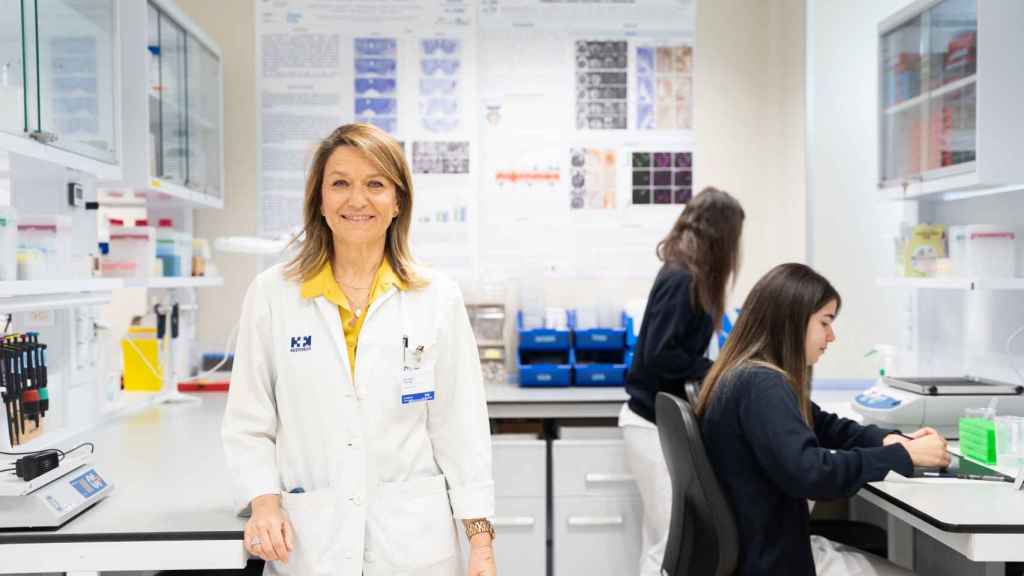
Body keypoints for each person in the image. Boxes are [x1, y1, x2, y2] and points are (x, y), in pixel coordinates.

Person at [222, 123, 496, 576]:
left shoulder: (437, 296)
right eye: (340, 184)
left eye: (375, 184)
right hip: (310, 544)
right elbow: (249, 422)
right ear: (320, 201)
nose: (357, 200)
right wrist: (264, 504)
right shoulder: (273, 294)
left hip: (413, 545)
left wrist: (480, 542)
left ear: (398, 201)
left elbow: (461, 429)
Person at [695, 263, 949, 576]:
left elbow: (824, 424)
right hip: (773, 561)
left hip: (764, 548)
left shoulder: (744, 374)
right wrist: (901, 456)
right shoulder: (761, 384)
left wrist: (886, 440)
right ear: (792, 322)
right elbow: (811, 474)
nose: (832, 336)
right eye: (824, 322)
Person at [619, 187, 745, 576]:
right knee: (667, 541)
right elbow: (660, 355)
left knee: (660, 538)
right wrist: (714, 369)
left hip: (653, 422)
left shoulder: (685, 272)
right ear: (721, 236)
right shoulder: (683, 279)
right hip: (649, 424)